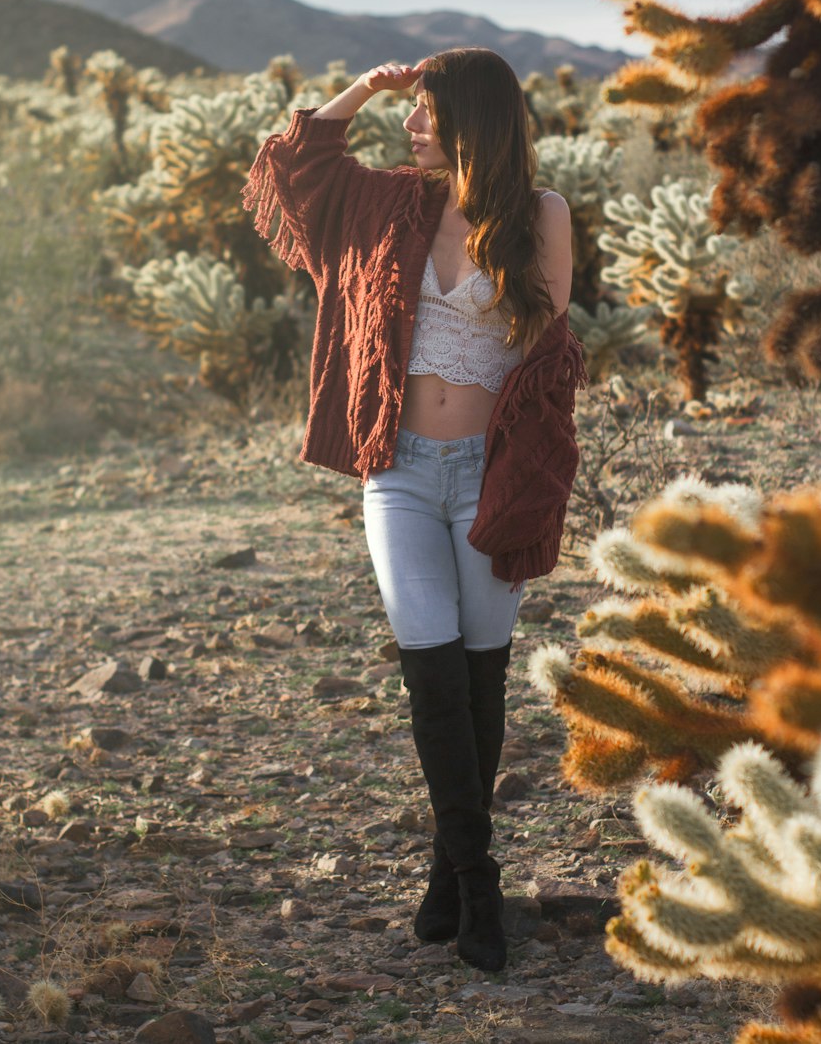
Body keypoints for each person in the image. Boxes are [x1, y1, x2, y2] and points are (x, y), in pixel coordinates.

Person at [241, 48, 585, 972]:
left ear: (476, 120)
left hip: (491, 472)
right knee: (427, 661)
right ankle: (480, 887)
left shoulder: (541, 216)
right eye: (410, 111)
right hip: (396, 468)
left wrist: (538, 481)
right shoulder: (389, 203)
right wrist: (364, 88)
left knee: (480, 677)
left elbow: (550, 362)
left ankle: (447, 874)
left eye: (429, 112)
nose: (412, 124)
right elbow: (293, 164)